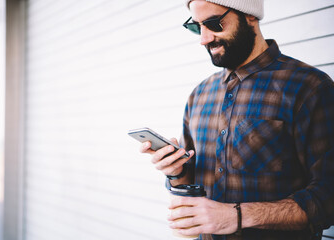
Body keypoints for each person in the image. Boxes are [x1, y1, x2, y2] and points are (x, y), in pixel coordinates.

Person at [140, 0, 334, 239]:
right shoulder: (199, 95)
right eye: (196, 27)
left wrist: (236, 216)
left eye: (213, 23)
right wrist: (177, 172)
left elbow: (328, 198)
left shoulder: (309, 87)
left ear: (249, 15)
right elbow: (191, 183)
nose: (204, 38)